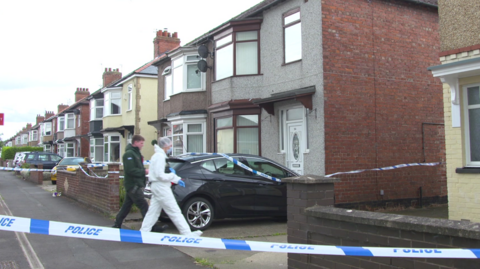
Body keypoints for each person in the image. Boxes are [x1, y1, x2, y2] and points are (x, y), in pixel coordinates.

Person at [140, 137, 202, 237]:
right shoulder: (160, 156)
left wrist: (175, 178)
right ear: (165, 145)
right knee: (174, 211)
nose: (171, 147)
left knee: (153, 211)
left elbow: (160, 174)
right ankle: (187, 233)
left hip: (156, 186)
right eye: (170, 145)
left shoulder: (158, 155)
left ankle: (144, 231)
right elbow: (160, 175)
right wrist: (173, 177)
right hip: (161, 187)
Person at [113, 135, 167, 232]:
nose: (142, 145)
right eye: (141, 143)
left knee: (126, 206)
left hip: (135, 185)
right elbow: (130, 170)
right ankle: (152, 227)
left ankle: (117, 224)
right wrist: (144, 171)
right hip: (133, 185)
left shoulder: (136, 154)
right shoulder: (129, 154)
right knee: (144, 206)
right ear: (136, 142)